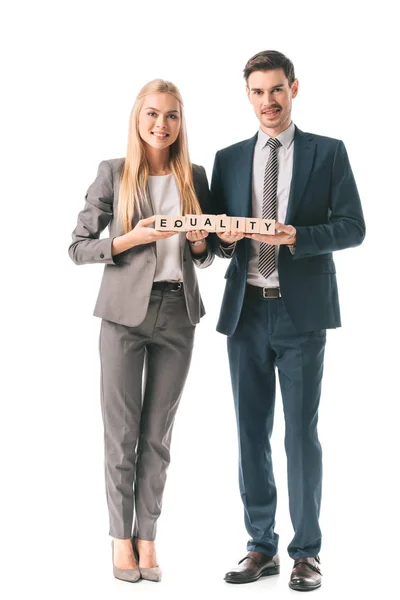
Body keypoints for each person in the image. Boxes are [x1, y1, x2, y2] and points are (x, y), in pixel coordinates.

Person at [210, 50, 365, 591]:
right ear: (247, 96)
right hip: (246, 312)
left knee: (300, 435)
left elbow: (353, 227)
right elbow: (209, 238)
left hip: (302, 316)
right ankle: (260, 546)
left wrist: (298, 236)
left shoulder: (327, 153)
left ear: (294, 89)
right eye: (257, 92)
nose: (267, 102)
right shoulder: (228, 159)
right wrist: (220, 238)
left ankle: (306, 553)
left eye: (276, 90)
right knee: (250, 433)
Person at [68, 79, 212, 583]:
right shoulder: (114, 173)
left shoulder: (193, 175)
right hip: (124, 317)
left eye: (171, 116)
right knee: (121, 433)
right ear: (137, 117)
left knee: (158, 436)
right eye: (152, 114)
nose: (161, 124)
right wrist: (129, 238)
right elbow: (79, 246)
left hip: (179, 313)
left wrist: (197, 243)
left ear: (180, 123)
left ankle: (147, 536)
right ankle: (118, 538)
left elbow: (206, 253)